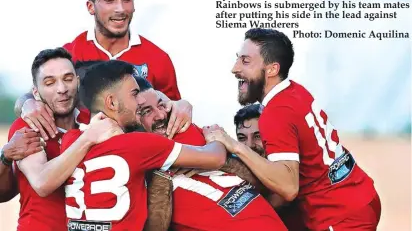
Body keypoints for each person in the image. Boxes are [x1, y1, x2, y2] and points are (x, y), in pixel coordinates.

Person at [206, 28, 381, 230]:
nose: (234, 68)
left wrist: (234, 146)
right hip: (360, 195)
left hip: (340, 217)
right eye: (238, 59)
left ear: (271, 69)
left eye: (245, 61)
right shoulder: (294, 91)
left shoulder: (276, 113)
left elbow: (288, 188)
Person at [62, 60, 227, 231]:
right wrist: (215, 136)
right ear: (112, 103)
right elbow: (216, 158)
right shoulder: (139, 144)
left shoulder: (70, 141)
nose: (140, 100)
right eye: (134, 94)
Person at [14, 0, 190, 142]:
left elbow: (171, 114)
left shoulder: (158, 58)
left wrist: (183, 106)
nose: (120, 8)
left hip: (141, 163)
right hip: (79, 158)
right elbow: (37, 94)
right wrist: (26, 104)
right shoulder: (70, 54)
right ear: (91, 7)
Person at [133, 78, 287, 231]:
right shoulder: (134, 166)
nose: (161, 115)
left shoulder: (194, 132)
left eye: (161, 105)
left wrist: (214, 154)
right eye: (146, 111)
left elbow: (266, 189)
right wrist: (163, 175)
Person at [2, 47, 122, 231]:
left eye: (68, 79)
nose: (62, 89)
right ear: (36, 92)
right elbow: (42, 184)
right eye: (50, 83)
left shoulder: (94, 118)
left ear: (77, 81)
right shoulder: (26, 126)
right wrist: (88, 138)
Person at [233, 104, 306, 231]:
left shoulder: (289, 164)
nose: (249, 145)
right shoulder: (239, 166)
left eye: (257, 136)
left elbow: (276, 200)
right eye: (242, 138)